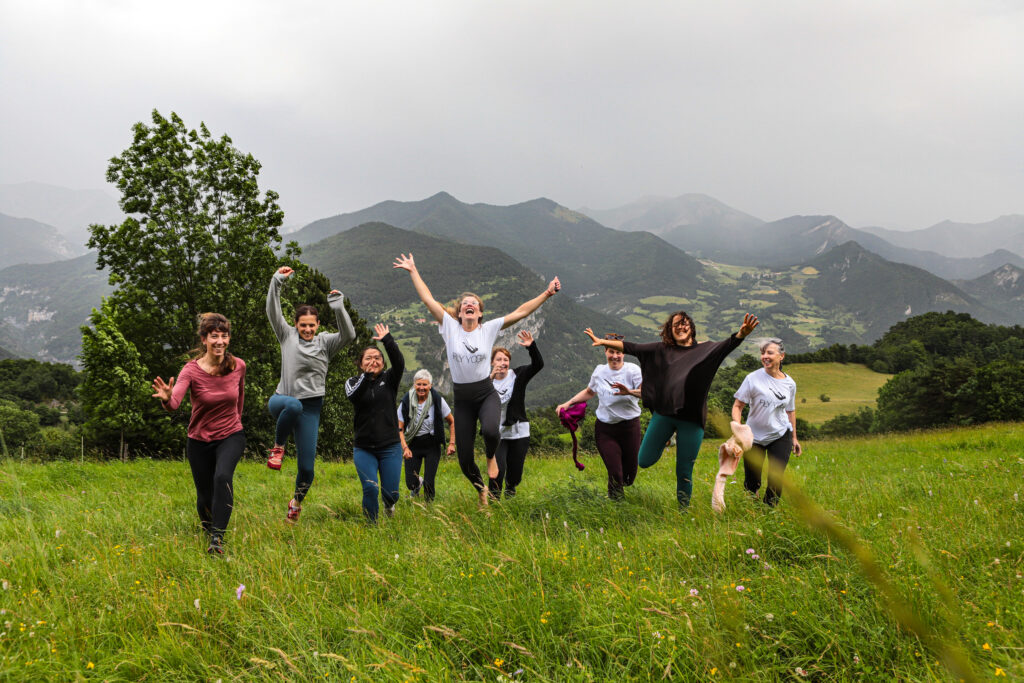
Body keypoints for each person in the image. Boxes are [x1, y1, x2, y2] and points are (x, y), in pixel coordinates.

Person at [392, 252, 560, 507]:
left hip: (485, 393)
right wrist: (414, 270)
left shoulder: (488, 329)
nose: (469, 304)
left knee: (492, 431)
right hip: (463, 399)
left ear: (480, 313)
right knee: (464, 460)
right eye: (464, 304)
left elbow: (521, 312)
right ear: (459, 313)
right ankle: (481, 489)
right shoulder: (449, 327)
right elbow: (427, 299)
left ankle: (491, 456)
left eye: (474, 304)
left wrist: (547, 293)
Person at [586, 311, 759, 507]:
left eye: (684, 324)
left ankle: (683, 511)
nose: (680, 327)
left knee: (683, 471)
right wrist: (603, 342)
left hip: (691, 421)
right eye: (675, 325)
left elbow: (727, 345)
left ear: (691, 327)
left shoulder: (706, 350)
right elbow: (631, 347)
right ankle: (667, 439)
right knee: (644, 460)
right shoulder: (662, 349)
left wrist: (742, 334)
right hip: (664, 415)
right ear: (670, 331)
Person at [265, 265, 356, 522]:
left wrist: (338, 306)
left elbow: (349, 334)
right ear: (295, 324)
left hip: (312, 408)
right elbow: (273, 309)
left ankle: (295, 502)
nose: (307, 329)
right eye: (303, 325)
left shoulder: (325, 343)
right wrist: (277, 282)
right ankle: (278, 447)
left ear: (318, 325)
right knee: (293, 406)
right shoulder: (286, 335)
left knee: (307, 468)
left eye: (311, 325)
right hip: (282, 401)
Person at [151, 313, 246, 554]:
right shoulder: (191, 370)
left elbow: (240, 399)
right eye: (214, 336)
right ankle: (208, 529)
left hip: (231, 435)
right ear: (204, 339)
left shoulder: (238, 366)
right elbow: (174, 404)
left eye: (224, 336)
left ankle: (217, 540)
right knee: (204, 495)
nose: (220, 341)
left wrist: (236, 423)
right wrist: (166, 398)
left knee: (222, 477)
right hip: (199, 440)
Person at [555, 333, 642, 500]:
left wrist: (629, 392)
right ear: (605, 352)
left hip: (630, 427)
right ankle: (616, 506)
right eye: (611, 351)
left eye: (618, 352)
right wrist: (568, 403)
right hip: (605, 429)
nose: (615, 356)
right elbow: (589, 391)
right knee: (615, 472)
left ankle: (616, 493)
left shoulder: (633, 371)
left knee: (628, 477)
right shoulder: (599, 371)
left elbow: (646, 393)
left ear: (623, 353)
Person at [345, 324, 405, 523]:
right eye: (368, 358)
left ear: (383, 363)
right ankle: (372, 527)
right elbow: (354, 397)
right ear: (361, 364)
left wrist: (387, 340)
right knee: (370, 488)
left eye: (377, 358)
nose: (373, 361)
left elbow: (399, 362)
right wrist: (366, 377)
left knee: (391, 493)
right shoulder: (353, 382)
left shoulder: (390, 380)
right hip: (364, 448)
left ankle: (389, 505)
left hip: (390, 446)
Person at [731, 338, 801, 506]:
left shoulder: (790, 384)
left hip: (780, 434)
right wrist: (739, 429)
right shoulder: (752, 379)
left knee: (776, 478)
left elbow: (790, 410)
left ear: (781, 356)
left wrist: (794, 438)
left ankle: (769, 511)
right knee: (751, 481)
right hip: (753, 437)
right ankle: (752, 509)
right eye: (763, 353)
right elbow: (737, 406)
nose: (765, 356)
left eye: (769, 353)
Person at [489, 330, 544, 499]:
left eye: (506, 359)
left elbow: (538, 365)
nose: (503, 362)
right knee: (497, 470)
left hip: (519, 432)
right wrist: (490, 378)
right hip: (497, 433)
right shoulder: (485, 382)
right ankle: (494, 502)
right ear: (491, 363)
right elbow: (476, 399)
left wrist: (531, 347)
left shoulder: (517, 375)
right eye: (499, 359)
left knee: (515, 472)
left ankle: (511, 491)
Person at [397, 369, 456, 502]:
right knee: (410, 483)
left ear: (430, 386)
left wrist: (451, 443)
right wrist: (405, 448)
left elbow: (451, 421)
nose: (421, 388)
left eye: (425, 385)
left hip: (432, 444)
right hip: (413, 444)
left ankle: (429, 508)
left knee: (430, 481)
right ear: (414, 385)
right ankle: (418, 485)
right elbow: (399, 428)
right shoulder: (406, 401)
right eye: (419, 384)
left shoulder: (437, 400)